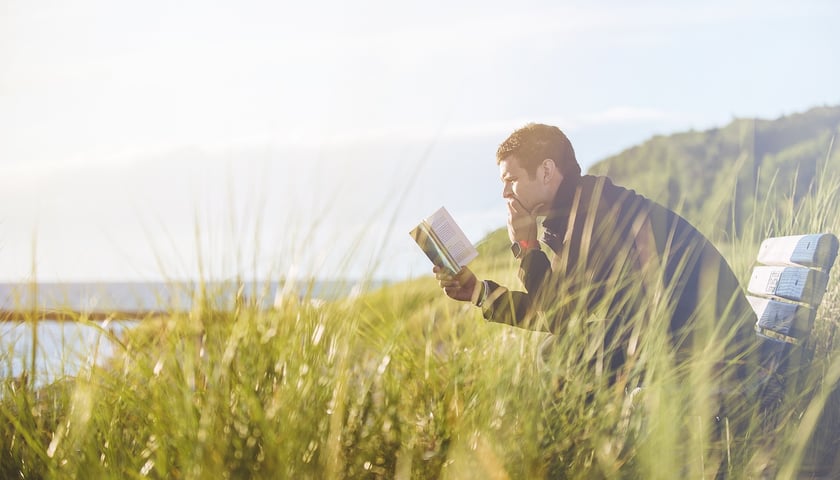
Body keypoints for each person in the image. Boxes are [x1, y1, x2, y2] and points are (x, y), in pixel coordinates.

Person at [434, 123, 762, 430]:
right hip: (683, 335)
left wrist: (526, 245)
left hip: (714, 347)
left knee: (558, 352)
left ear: (546, 171)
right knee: (559, 348)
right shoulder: (578, 210)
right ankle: (596, 454)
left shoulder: (594, 211)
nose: (505, 192)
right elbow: (558, 310)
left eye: (512, 179)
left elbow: (560, 315)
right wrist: (478, 291)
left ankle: (593, 459)